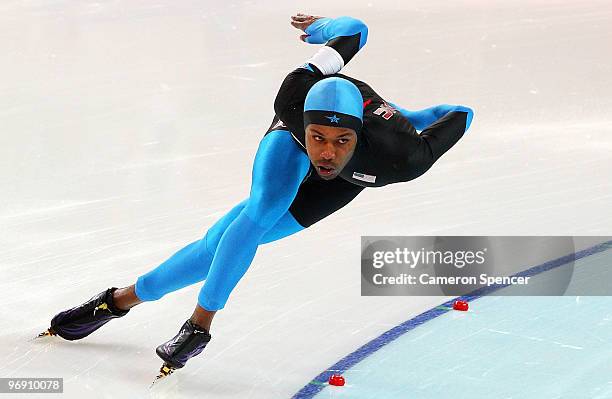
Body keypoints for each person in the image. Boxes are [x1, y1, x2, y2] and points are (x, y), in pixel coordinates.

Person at [39, 13, 474, 380]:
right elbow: (353, 31)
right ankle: (199, 326)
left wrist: (411, 116)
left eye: (341, 141)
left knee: (217, 245)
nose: (326, 152)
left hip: (356, 168)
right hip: (288, 145)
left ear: (359, 136)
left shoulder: (402, 157)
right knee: (260, 211)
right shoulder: (294, 96)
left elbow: (460, 113)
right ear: (303, 121)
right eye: (319, 137)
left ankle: (119, 300)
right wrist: (324, 27)